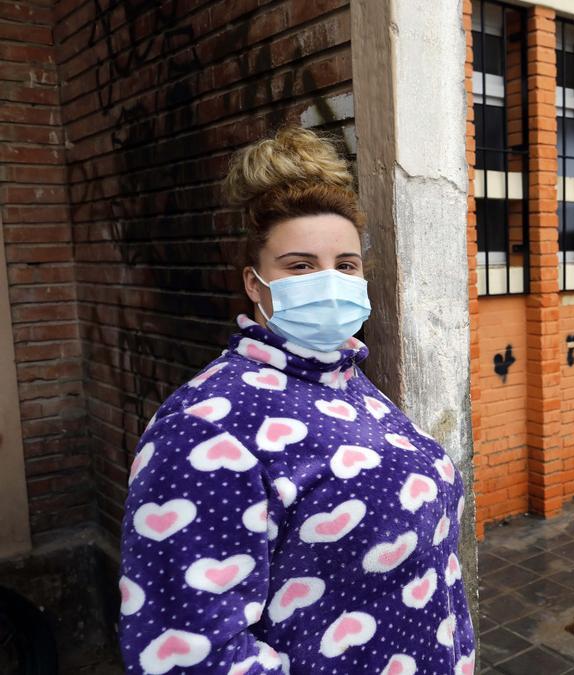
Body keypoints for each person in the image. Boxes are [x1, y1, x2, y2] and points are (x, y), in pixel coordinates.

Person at [116, 126, 475, 674]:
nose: (330, 282)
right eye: (301, 266)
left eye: (346, 265)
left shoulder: (347, 378)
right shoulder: (207, 424)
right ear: (255, 284)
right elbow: (188, 652)